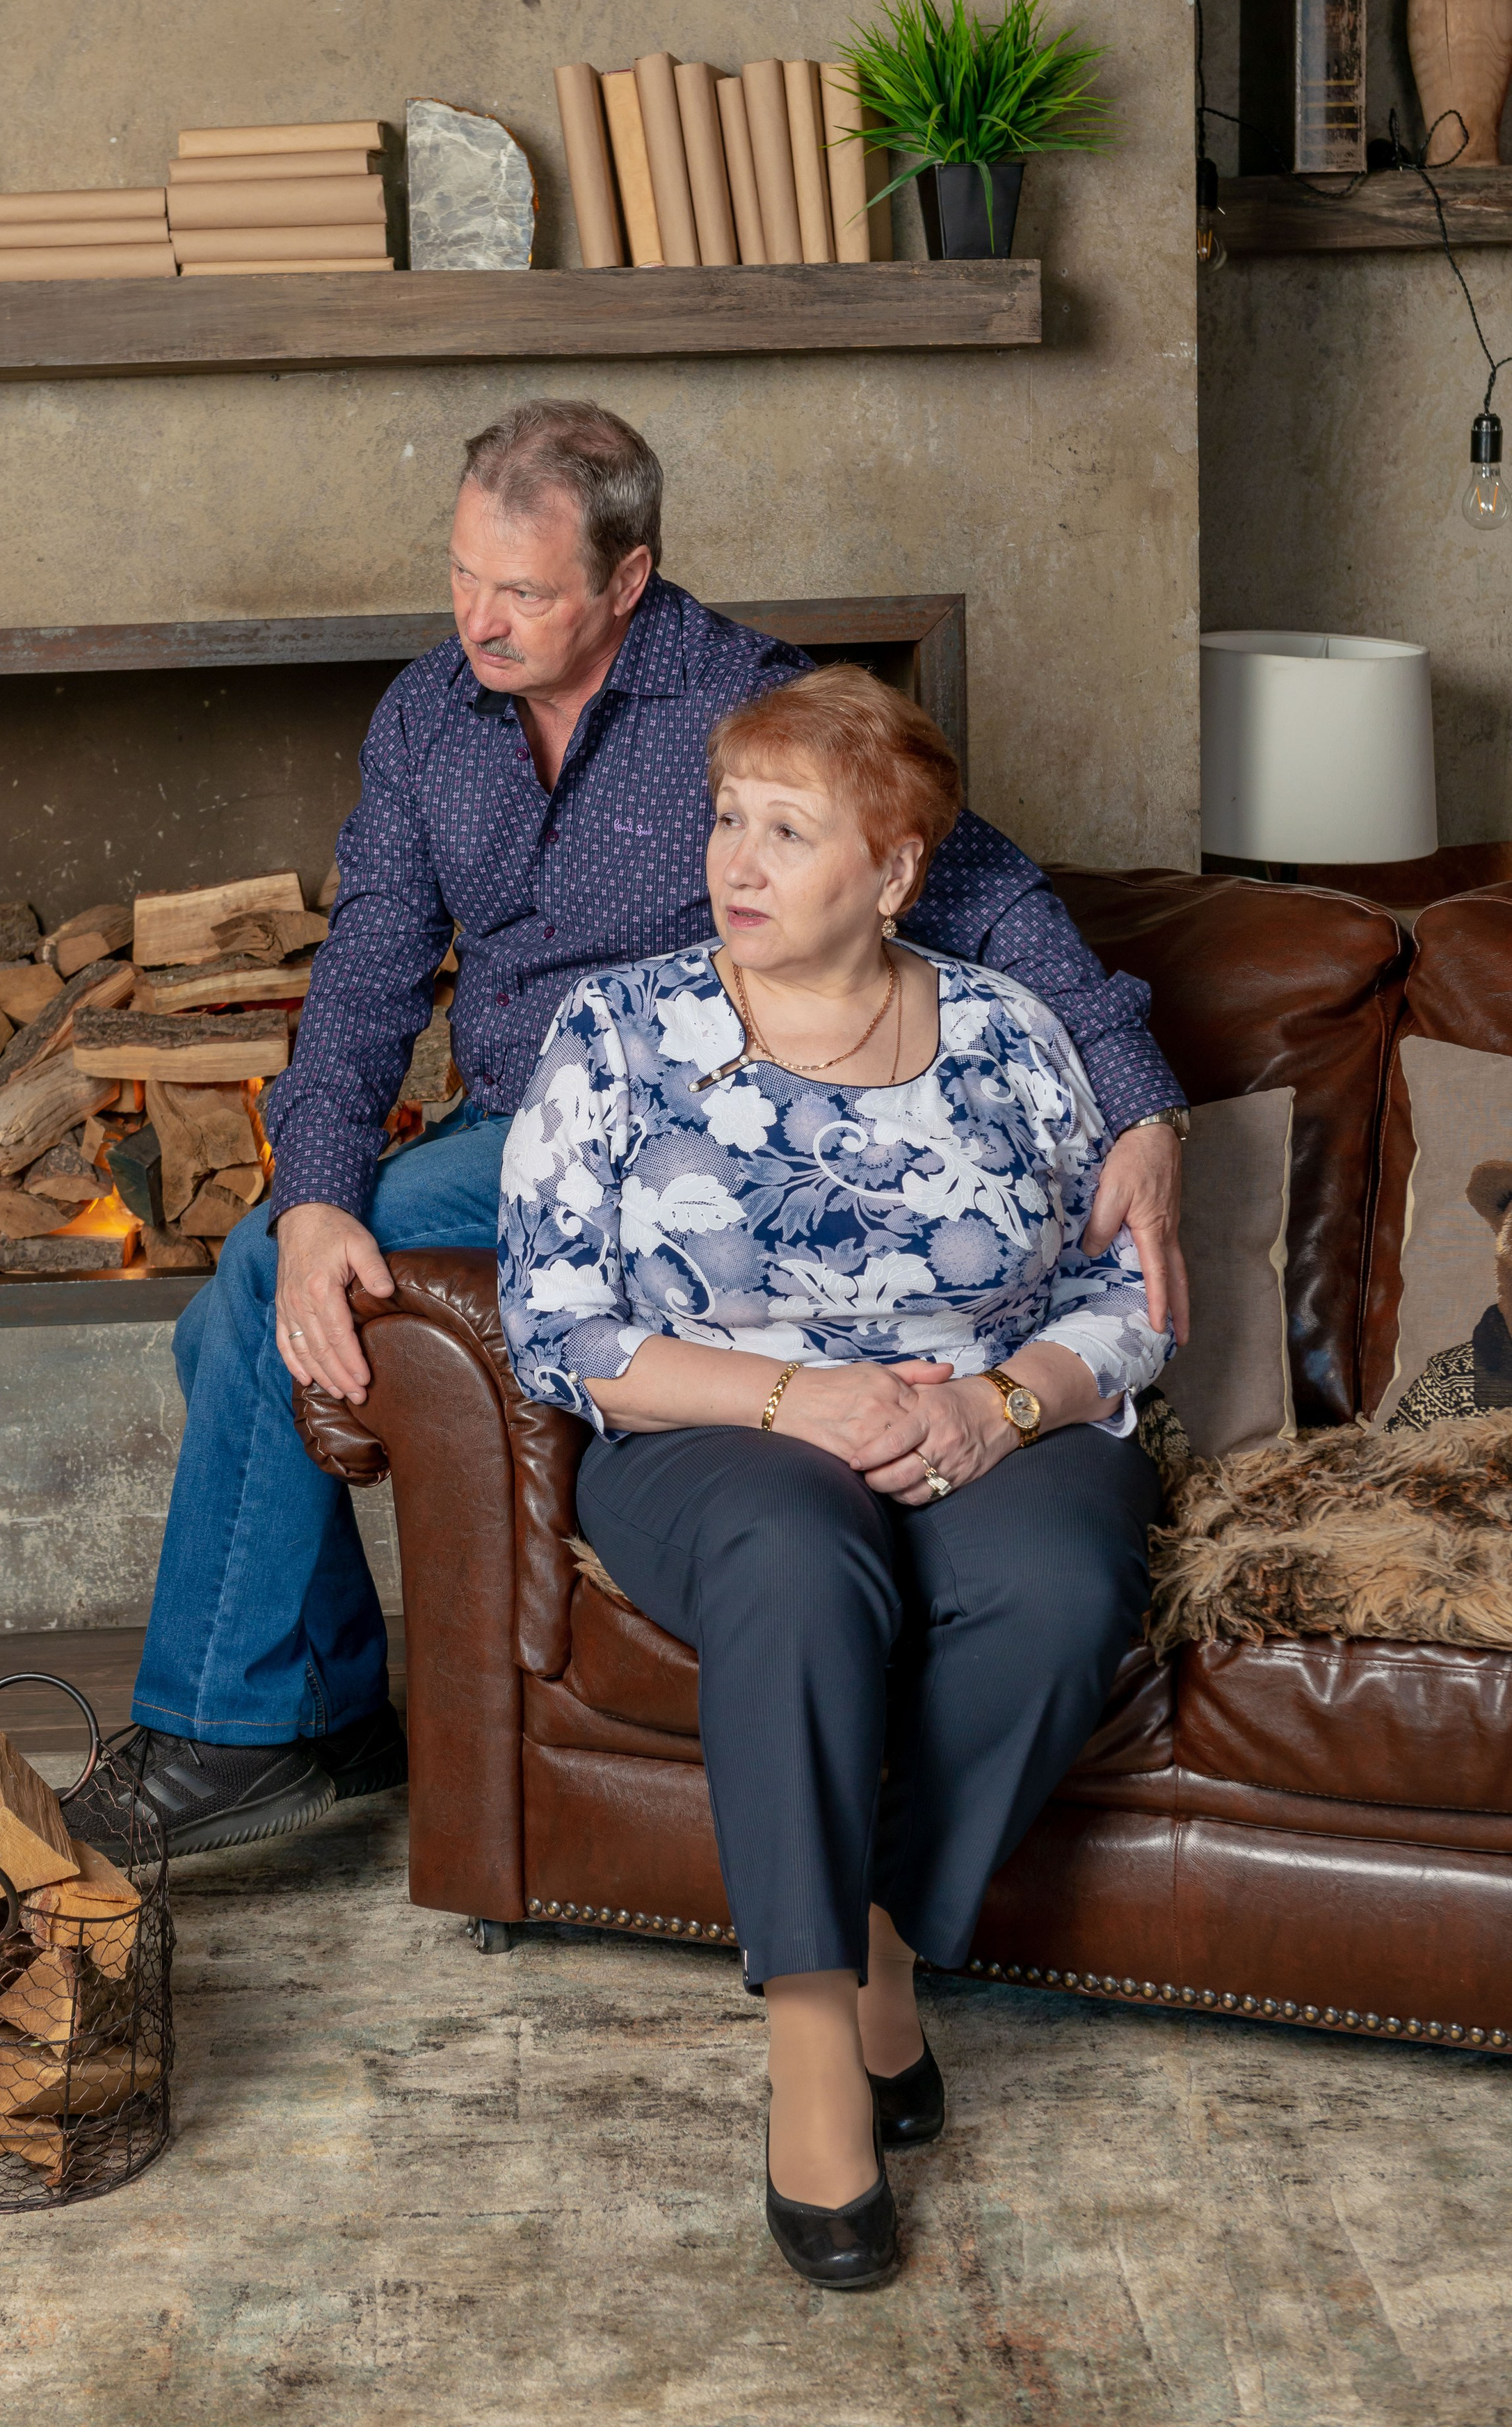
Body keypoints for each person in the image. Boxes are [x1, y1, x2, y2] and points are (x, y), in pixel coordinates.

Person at [90, 399, 1189, 1864]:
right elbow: (365, 968)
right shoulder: (427, 712)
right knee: (265, 1288)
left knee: (243, 1299)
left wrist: (1141, 1101)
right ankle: (312, 1711)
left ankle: (234, 1732)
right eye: (463, 575)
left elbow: (981, 891)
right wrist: (315, 1191)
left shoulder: (749, 703)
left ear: (625, 578)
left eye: (524, 589)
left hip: (674, 1137)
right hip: (503, 1128)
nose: (481, 618)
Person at [496, 664, 1171, 2288]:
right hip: (715, 1430)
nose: (734, 857)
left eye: (785, 830)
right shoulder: (615, 1030)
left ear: (891, 869)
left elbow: (1128, 1298)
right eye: (728, 817)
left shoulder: (1008, 1033)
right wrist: (801, 1398)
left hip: (975, 1414)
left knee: (1066, 1581)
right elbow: (553, 1318)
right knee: (799, 1564)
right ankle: (814, 2051)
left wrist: (1001, 1407)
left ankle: (883, 1933)